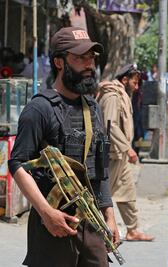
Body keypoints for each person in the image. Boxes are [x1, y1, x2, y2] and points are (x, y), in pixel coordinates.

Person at [8, 26, 119, 266]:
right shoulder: (40, 109)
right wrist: (47, 214)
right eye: (80, 58)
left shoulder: (93, 108)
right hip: (54, 223)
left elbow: (98, 169)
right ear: (59, 62)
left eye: (91, 57)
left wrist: (110, 216)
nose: (89, 64)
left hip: (91, 222)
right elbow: (17, 164)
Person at [97, 64, 154, 242]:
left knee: (128, 192)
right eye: (135, 82)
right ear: (124, 80)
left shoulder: (122, 95)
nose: (136, 87)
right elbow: (109, 125)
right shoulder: (113, 96)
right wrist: (127, 148)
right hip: (112, 154)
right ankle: (89, 227)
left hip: (119, 155)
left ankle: (132, 229)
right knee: (102, 194)